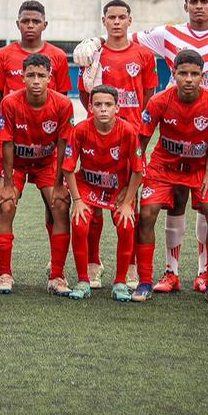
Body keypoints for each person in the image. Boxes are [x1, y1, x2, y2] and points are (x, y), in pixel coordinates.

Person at [79, 0, 208, 295]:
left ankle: (205, 276)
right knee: (153, 209)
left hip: (205, 152)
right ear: (185, 6)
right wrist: (94, 40)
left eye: (205, 1)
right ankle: (162, 275)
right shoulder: (166, 37)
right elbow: (123, 37)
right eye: (193, 1)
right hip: (158, 154)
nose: (199, 6)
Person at [132, 49, 208, 305]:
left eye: (195, 74)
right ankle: (151, 280)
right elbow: (142, 141)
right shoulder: (159, 101)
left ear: (203, 76)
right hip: (163, 167)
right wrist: (134, 177)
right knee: (147, 214)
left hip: (201, 169)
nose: (189, 79)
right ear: (174, 74)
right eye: (183, 73)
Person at [0, 53, 74, 295]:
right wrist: (7, 184)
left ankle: (57, 275)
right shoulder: (9, 102)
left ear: (50, 78)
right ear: (22, 77)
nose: (36, 80)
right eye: (30, 75)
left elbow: (63, 146)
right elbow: (6, 143)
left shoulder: (62, 104)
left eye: (41, 75)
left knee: (60, 204)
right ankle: (5, 272)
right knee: (6, 204)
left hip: (47, 162)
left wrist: (60, 183)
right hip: (16, 162)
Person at [63, 85, 145, 303]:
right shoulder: (80, 130)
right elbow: (67, 168)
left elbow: (138, 171)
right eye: (98, 104)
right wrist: (77, 200)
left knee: (127, 223)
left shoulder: (127, 131)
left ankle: (119, 282)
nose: (103, 109)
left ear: (117, 107)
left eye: (108, 105)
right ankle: (83, 280)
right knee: (79, 223)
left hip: (118, 190)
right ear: (90, 107)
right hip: (88, 188)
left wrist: (128, 202)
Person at [0, 0, 70, 103]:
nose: (30, 26)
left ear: (45, 25)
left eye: (36, 21)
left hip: (48, 118)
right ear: (18, 24)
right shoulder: (2, 54)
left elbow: (62, 94)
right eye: (25, 21)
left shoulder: (59, 56)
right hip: (14, 117)